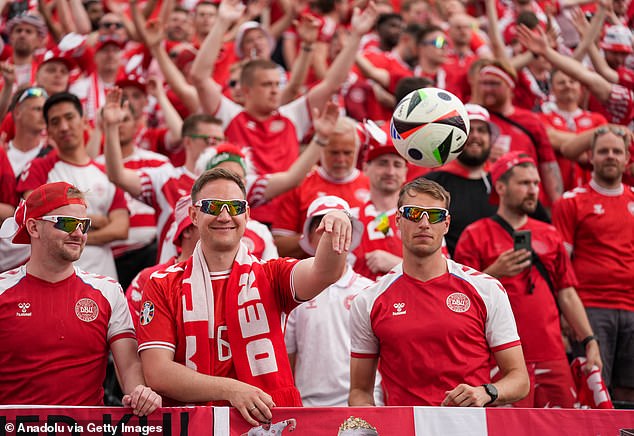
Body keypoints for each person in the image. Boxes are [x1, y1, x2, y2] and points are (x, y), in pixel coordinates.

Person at [137, 168, 353, 426]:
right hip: (197, 424)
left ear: (247, 214)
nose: (225, 215)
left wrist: (338, 222)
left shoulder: (271, 274)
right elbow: (158, 373)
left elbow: (324, 271)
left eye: (235, 206)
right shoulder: (162, 284)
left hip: (269, 423)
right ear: (194, 215)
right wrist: (232, 390)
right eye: (213, 206)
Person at [348, 177, 529, 406]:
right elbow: (360, 392)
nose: (424, 223)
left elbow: (519, 379)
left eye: (435, 215)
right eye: (414, 213)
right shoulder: (368, 300)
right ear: (398, 220)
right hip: (405, 430)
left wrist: (485, 392)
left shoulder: (487, 289)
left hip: (469, 428)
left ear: (446, 224)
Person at [454, 152, 602, 408]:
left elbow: (566, 293)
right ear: (500, 186)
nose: (533, 190)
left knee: (563, 428)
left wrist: (589, 340)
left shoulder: (549, 233)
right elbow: (457, 299)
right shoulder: (474, 235)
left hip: (551, 355)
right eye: (524, 183)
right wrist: (494, 272)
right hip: (499, 358)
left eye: (535, 183)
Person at [0, 182, 161, 414]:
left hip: (85, 428)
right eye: (66, 223)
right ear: (33, 228)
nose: (78, 233)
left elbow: (129, 365)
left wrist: (139, 391)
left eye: (83, 225)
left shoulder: (107, 291)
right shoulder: (3, 290)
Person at [552, 126, 634, 403]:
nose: (610, 156)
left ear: (626, 159)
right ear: (591, 157)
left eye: (616, 151)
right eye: (603, 151)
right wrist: (565, 314)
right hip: (591, 309)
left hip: (632, 308)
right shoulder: (571, 202)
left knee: (629, 392)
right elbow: (560, 265)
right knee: (596, 390)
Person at [16, 92, 129, 280]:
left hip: (103, 281)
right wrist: (97, 222)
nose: (64, 127)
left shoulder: (108, 172)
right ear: (48, 130)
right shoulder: (38, 168)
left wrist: (66, 231)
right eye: (55, 122)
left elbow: (121, 228)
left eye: (69, 117)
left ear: (84, 121)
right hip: (53, 281)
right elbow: (33, 218)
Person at [285, 196, 383, 407]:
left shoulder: (370, 291)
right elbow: (288, 359)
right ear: (310, 237)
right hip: (308, 407)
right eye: (323, 225)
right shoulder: (292, 291)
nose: (332, 232)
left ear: (351, 235)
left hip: (363, 406)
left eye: (339, 226)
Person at [272, 116, 370, 258]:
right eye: (334, 152)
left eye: (347, 153)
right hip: (312, 274)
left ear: (357, 150)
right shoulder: (299, 185)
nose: (341, 159)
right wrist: (314, 238)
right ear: (321, 150)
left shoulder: (372, 186)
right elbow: (278, 246)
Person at [476, 61, 563, 207]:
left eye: (494, 84)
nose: (487, 89)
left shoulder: (531, 121)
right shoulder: (476, 121)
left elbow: (548, 166)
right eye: (483, 84)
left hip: (528, 202)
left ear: (510, 86)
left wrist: (557, 205)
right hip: (487, 201)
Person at [352, 140, 407, 280]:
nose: (390, 172)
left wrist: (397, 265)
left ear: (406, 172)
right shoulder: (350, 219)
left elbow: (438, 272)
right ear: (365, 168)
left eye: (397, 164)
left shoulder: (421, 218)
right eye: (382, 163)